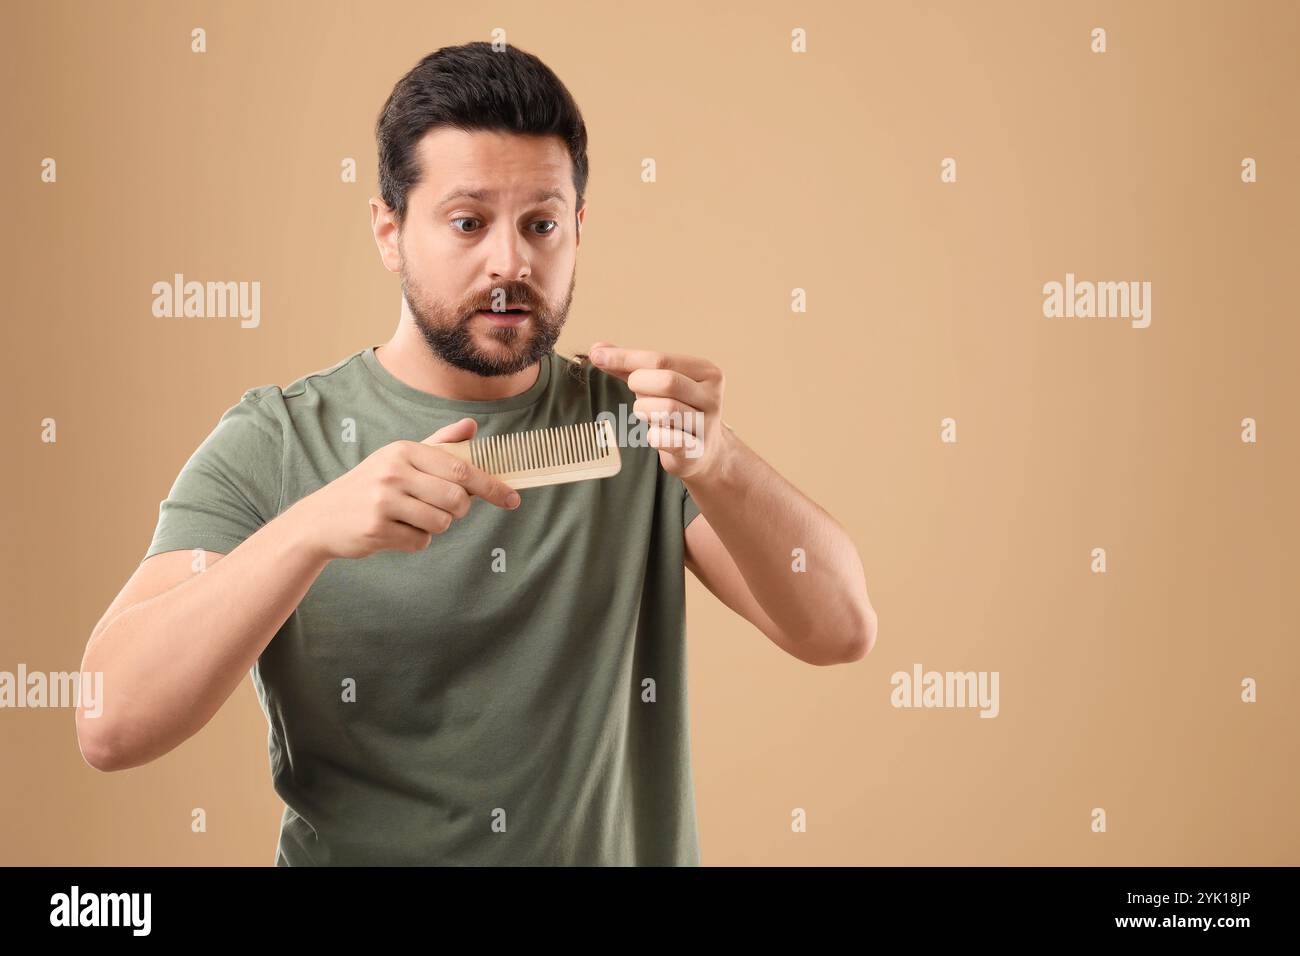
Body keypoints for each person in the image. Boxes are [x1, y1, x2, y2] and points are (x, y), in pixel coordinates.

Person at [76, 41, 878, 866]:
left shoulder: (638, 431)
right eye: (467, 223)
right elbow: (110, 723)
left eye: (541, 225)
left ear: (577, 228)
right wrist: (310, 529)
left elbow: (840, 630)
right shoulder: (278, 442)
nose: (510, 263)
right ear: (389, 231)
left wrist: (721, 463)